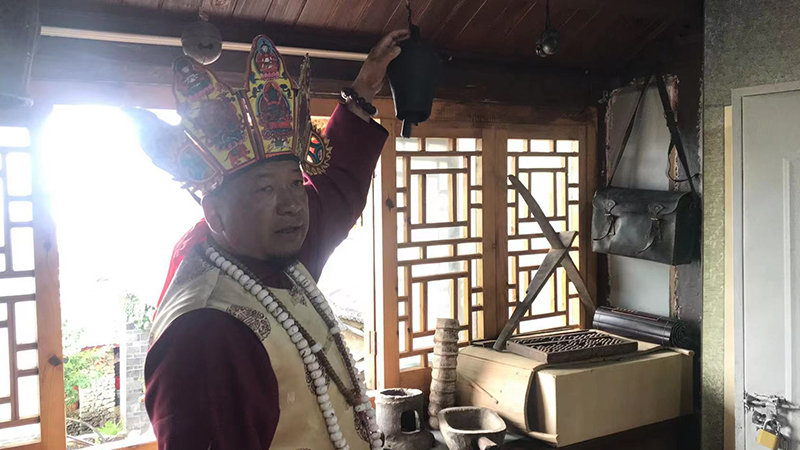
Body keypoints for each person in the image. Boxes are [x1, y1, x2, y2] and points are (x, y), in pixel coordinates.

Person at [127, 29, 409, 450]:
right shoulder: (203, 332)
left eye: (295, 183)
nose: (293, 205)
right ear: (215, 213)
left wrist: (366, 85)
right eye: (264, 189)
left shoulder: (268, 253)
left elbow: (330, 188)